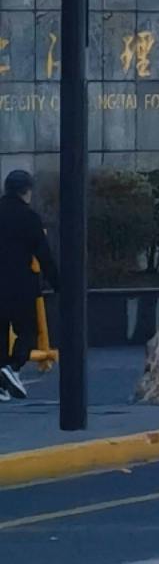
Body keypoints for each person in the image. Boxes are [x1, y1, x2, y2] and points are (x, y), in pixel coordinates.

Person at [0, 167, 53, 398]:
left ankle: (2, 383)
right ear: (27, 191)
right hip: (21, 284)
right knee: (27, 332)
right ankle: (12, 368)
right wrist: (59, 283)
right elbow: (44, 255)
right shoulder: (30, 218)